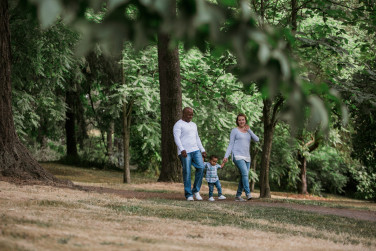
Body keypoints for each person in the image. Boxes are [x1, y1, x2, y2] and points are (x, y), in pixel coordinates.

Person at [223, 113, 259, 201]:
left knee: (244, 175)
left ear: (245, 120)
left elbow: (257, 140)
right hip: (237, 155)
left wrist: (249, 130)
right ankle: (248, 194)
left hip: (247, 156)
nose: (241, 121)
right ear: (237, 121)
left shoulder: (248, 131)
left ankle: (238, 196)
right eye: (239, 120)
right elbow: (231, 144)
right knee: (245, 174)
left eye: (243, 119)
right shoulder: (234, 131)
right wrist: (226, 156)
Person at [173, 107, 207, 201]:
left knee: (201, 167)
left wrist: (202, 149)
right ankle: (188, 195)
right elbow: (177, 138)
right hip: (185, 152)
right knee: (187, 172)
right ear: (183, 114)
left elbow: (197, 138)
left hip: (195, 150)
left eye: (192, 115)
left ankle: (195, 190)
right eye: (189, 114)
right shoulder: (178, 124)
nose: (191, 116)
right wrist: (182, 149)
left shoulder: (193, 125)